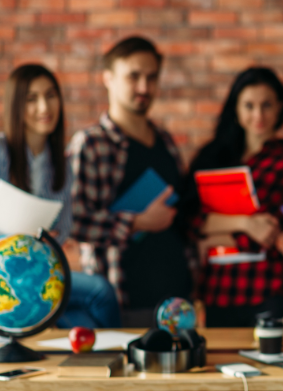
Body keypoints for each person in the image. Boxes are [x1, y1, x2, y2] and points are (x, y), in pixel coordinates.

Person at [183, 67, 283, 391]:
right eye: (249, 105)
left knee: (266, 388)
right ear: (236, 108)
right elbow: (188, 222)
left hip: (265, 288)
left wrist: (214, 230)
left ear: (280, 107)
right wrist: (242, 222)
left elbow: (267, 231)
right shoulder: (213, 157)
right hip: (218, 292)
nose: (258, 114)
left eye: (267, 105)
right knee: (229, 389)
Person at [0, 64, 120, 330]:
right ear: (16, 106)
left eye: (51, 95)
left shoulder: (62, 163)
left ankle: (109, 361)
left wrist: (50, 239)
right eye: (32, 99)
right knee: (99, 291)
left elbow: (64, 226)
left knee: (85, 319)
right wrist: (10, 242)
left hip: (34, 266)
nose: (45, 107)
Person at [69, 36, 195, 327]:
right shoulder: (91, 143)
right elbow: (73, 221)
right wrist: (137, 222)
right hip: (120, 299)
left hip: (177, 301)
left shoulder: (166, 141)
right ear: (108, 79)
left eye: (152, 77)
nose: (144, 87)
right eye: (133, 76)